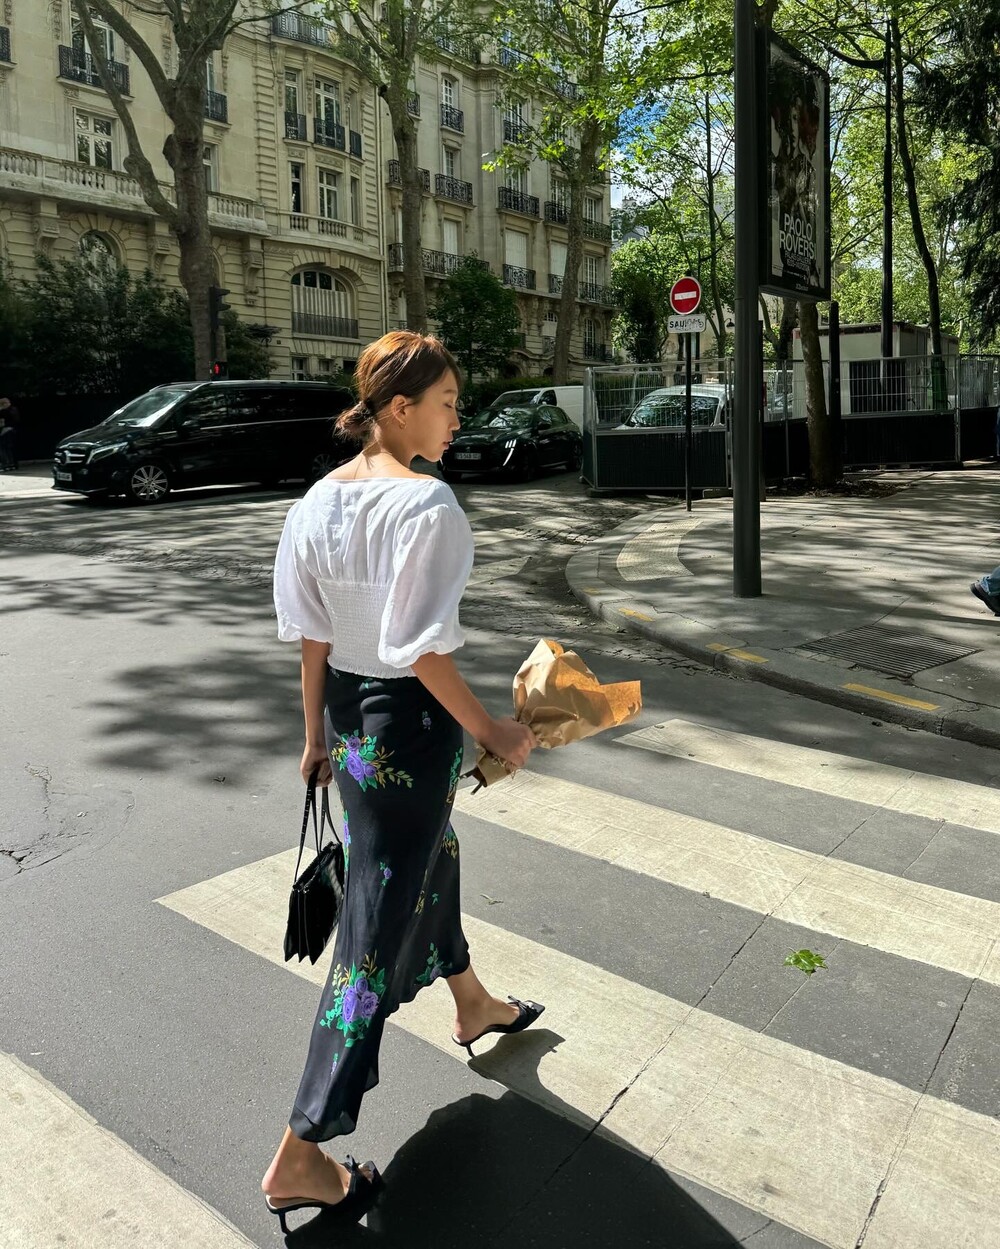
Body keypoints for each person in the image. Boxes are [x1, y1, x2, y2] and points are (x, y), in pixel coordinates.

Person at [263, 332, 542, 1231]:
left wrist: (315, 734)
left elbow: (312, 634)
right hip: (410, 726)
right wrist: (493, 729)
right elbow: (420, 651)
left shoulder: (315, 501)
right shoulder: (427, 504)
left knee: (427, 855)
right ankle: (301, 1149)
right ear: (398, 407)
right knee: (371, 935)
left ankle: (472, 1001)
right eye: (448, 403)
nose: (458, 419)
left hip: (350, 722)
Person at [0, 398, 20, 471]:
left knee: (3, 448)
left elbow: (2, 422)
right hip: (13, 430)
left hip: (6, 430)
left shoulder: (4, 411)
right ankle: (12, 464)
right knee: (9, 448)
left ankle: (6, 464)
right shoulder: (14, 409)